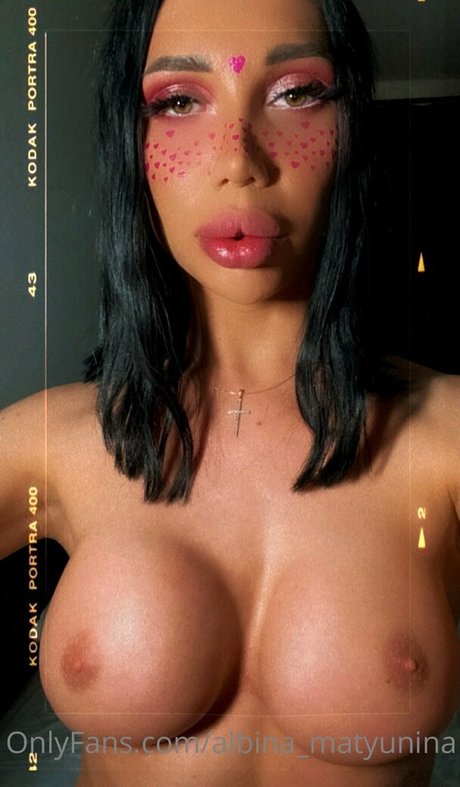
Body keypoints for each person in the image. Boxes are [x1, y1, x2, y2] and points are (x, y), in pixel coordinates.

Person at [1, 0, 460, 784]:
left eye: (296, 93)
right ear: (133, 143)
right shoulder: (52, 441)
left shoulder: (444, 438)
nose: (238, 160)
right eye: (180, 101)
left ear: (352, 129)